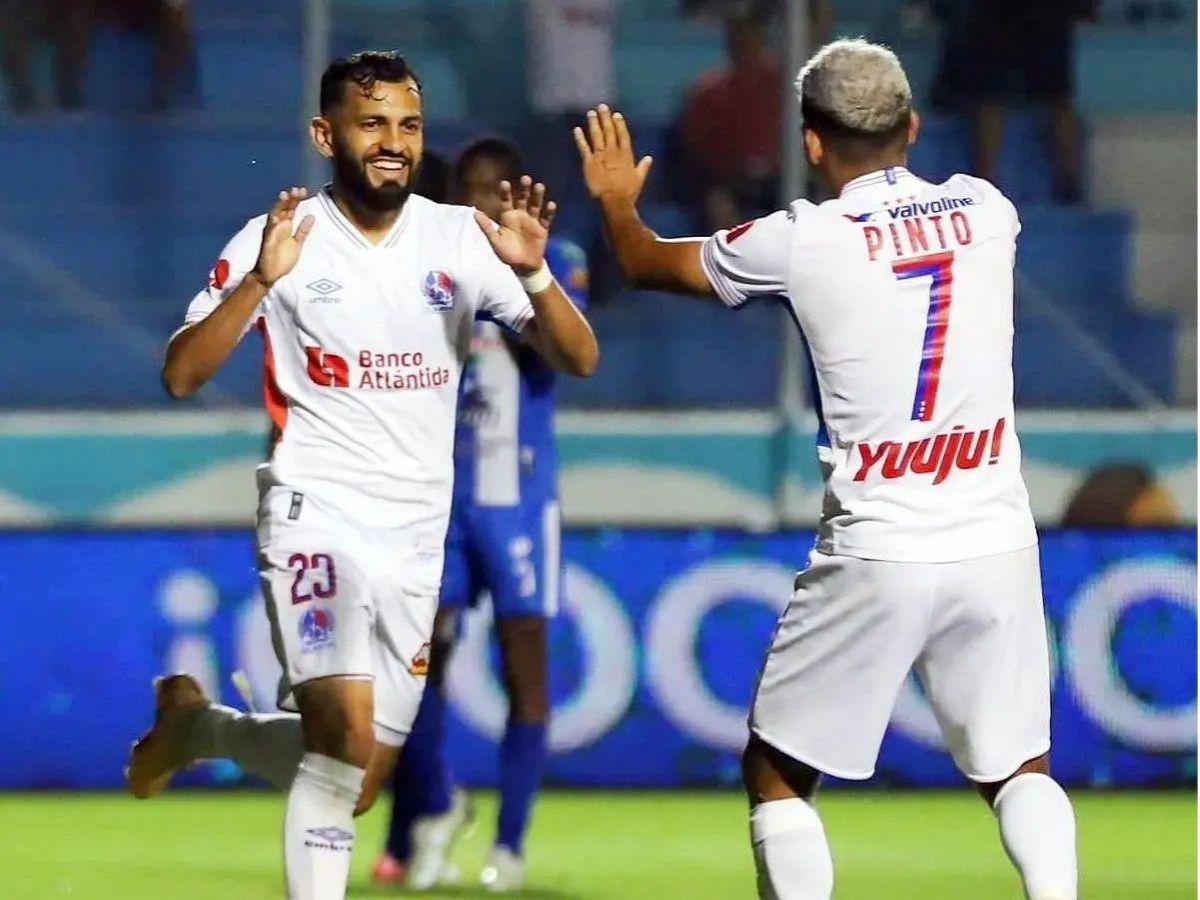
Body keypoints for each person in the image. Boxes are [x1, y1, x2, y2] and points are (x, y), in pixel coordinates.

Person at [574, 39, 1077, 900]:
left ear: (810, 142)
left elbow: (646, 262)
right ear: (911, 127)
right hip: (994, 538)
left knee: (777, 771)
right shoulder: (988, 209)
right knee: (1017, 768)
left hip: (879, 543)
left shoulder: (801, 239)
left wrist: (619, 204)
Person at [125, 51, 597, 900]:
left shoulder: (459, 237)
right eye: (371, 122)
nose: (392, 142)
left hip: (416, 537)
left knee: (358, 777)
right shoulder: (282, 238)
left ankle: (201, 730)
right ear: (324, 134)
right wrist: (259, 283)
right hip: (317, 515)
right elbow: (181, 373)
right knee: (341, 739)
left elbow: (579, 357)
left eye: (408, 126)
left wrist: (532, 273)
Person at [372, 138, 589, 892]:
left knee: (523, 669)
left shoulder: (555, 258)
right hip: (442, 501)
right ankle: (435, 805)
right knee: (418, 663)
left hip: (518, 502)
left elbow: (556, 355)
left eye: (494, 190)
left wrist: (515, 272)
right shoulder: (431, 263)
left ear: (516, 195)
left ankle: (510, 845)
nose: (479, 203)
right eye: (467, 190)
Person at [929, 0, 1095, 204]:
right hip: (1048, 12)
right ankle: (1069, 182)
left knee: (990, 97)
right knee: (1055, 96)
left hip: (996, 13)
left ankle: (986, 183)